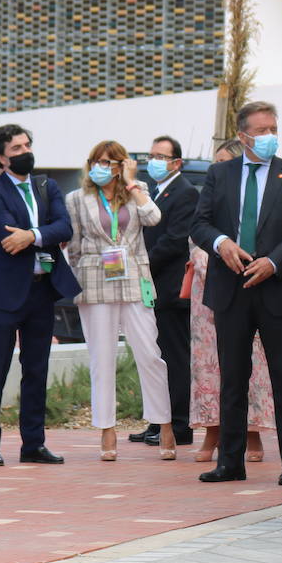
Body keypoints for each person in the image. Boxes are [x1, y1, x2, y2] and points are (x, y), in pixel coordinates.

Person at [191, 101, 282, 485]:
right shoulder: (219, 174)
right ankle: (230, 461)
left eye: (273, 128)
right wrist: (221, 243)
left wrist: (274, 262)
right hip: (231, 287)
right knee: (233, 379)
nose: (269, 136)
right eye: (260, 130)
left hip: (278, 287)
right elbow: (200, 223)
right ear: (242, 136)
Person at [0, 124, 82, 467]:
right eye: (17, 148)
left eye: (27, 145)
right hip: (6, 294)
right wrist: (40, 235)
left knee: (36, 368)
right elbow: (4, 235)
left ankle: (33, 444)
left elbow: (64, 228)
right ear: (2, 157)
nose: (25, 151)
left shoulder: (47, 186)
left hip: (41, 291)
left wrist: (32, 235)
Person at [65, 140, 176, 461]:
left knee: (150, 354)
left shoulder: (137, 190)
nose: (101, 167)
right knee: (102, 358)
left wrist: (131, 181)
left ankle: (163, 422)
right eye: (96, 161)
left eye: (108, 162)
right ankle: (106, 429)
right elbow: (73, 246)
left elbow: (154, 217)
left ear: (121, 165)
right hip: (95, 281)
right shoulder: (76, 199)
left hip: (134, 279)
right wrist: (79, 280)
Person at [188, 141, 274, 464]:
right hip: (207, 295)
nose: (219, 168)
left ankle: (252, 431)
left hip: (251, 284)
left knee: (251, 367)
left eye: (226, 161)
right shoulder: (210, 193)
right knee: (209, 367)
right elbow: (197, 229)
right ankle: (213, 430)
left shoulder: (258, 194)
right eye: (216, 162)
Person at [135, 135, 197, 448]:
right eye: (151, 154)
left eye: (161, 156)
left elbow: (174, 241)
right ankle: (158, 421)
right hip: (151, 288)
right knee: (153, 356)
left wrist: (140, 264)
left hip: (170, 288)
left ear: (176, 162)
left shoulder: (184, 192)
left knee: (173, 357)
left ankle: (180, 425)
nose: (154, 161)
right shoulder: (151, 192)